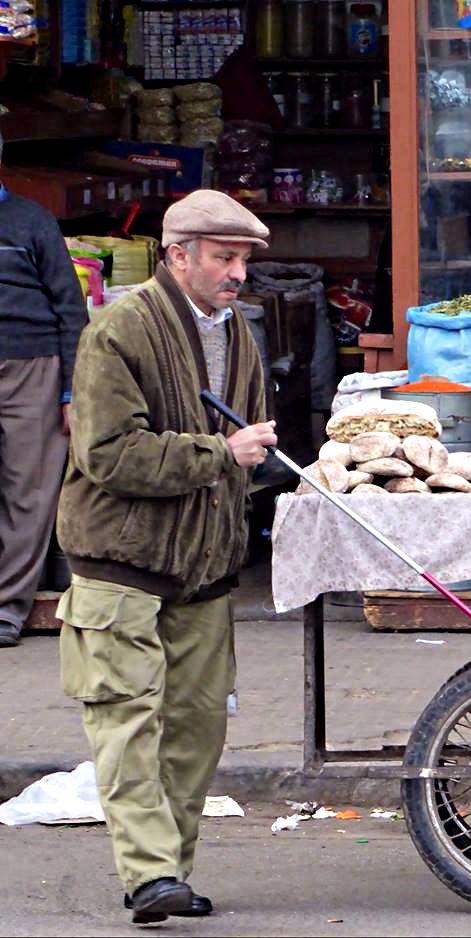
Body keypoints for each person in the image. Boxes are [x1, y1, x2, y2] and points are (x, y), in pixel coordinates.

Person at [55, 189, 278, 923]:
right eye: (223, 258)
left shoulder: (237, 331)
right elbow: (108, 454)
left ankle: (169, 872)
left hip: (204, 569)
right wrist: (221, 454)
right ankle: (150, 875)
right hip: (121, 564)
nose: (237, 273)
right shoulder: (119, 330)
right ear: (175, 254)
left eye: (244, 259)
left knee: (197, 726)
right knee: (127, 720)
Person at [0, 129, 87, 648]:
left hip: (32, 365)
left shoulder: (32, 220)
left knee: (28, 490)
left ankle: (7, 608)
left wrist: (72, 391)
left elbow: (70, 308)